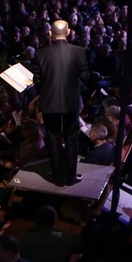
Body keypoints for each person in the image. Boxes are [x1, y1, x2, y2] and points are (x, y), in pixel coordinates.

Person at [32, 19, 89, 186]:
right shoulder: (79, 51)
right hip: (71, 103)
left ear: (51, 33)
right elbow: (86, 76)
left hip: (49, 103)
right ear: (68, 32)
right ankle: (70, 177)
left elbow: (37, 80)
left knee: (53, 139)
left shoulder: (41, 53)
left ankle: (58, 178)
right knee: (72, 139)